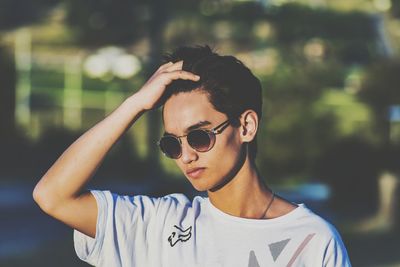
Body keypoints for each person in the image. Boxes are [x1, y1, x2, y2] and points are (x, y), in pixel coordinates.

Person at [33, 45, 352, 267]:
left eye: (199, 137)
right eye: (172, 144)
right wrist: (136, 105)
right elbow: (52, 195)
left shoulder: (311, 240)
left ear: (246, 126)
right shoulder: (156, 224)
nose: (185, 156)